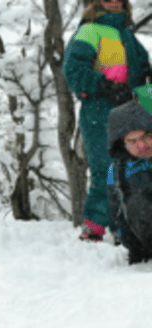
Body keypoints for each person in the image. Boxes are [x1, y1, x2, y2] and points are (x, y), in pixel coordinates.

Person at [63, 0, 151, 242]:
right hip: (100, 111)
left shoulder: (126, 35)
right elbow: (73, 69)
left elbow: (144, 73)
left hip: (131, 112)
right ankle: (95, 228)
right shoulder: (90, 30)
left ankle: (128, 226)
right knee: (107, 169)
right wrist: (105, 86)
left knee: (135, 168)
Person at [106, 96, 152, 263]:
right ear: (122, 142)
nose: (142, 145)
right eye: (132, 141)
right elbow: (118, 212)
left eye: (146, 136)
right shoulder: (118, 171)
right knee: (137, 204)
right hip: (145, 245)